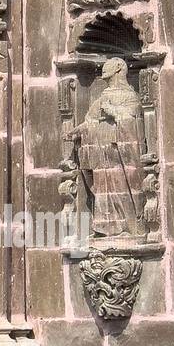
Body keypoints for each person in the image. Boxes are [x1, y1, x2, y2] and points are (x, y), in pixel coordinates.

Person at [75, 57, 146, 241]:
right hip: (101, 153)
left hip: (120, 153)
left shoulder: (130, 96)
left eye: (111, 63)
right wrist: (77, 131)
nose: (104, 66)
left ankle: (127, 226)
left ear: (119, 68)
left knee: (120, 184)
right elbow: (90, 121)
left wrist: (113, 111)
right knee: (102, 186)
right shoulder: (102, 98)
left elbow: (131, 119)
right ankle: (105, 226)